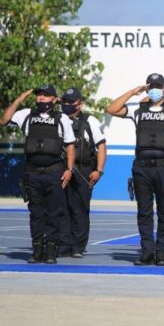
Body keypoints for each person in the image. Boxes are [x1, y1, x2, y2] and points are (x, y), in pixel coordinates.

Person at [107, 73, 164, 266]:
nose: (154, 89)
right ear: (147, 87)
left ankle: (161, 253)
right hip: (142, 167)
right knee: (144, 212)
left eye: (158, 86)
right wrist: (133, 92)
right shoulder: (138, 110)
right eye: (151, 86)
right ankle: (147, 253)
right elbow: (111, 109)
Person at [0, 84, 75, 264]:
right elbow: (4, 120)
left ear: (54, 99)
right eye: (39, 95)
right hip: (32, 173)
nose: (41, 98)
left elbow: (70, 145)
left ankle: (50, 250)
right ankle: (37, 250)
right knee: (36, 213)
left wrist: (69, 170)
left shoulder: (62, 119)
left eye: (46, 95)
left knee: (53, 213)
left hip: (54, 172)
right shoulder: (26, 114)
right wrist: (19, 99)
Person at [57, 87, 107, 259]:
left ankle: (78, 245)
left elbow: (101, 146)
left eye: (71, 102)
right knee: (61, 209)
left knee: (79, 209)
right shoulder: (57, 119)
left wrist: (99, 171)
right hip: (60, 170)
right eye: (65, 101)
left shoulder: (89, 121)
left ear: (80, 104)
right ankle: (63, 244)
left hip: (83, 171)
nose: (67, 105)